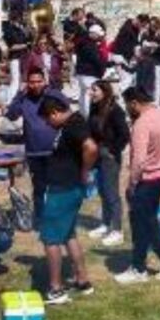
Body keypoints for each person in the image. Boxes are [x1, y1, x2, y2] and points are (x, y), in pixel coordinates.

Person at [115, 87, 160, 284]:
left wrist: (132, 184)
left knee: (143, 224)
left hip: (146, 179)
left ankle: (141, 268)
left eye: (127, 105)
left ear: (134, 103)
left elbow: (139, 161)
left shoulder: (141, 124)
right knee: (148, 221)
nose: (127, 109)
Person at [37, 95, 96, 304]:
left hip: (64, 189)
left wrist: (85, 172)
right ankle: (82, 280)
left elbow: (91, 147)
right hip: (66, 188)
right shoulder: (73, 123)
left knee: (50, 239)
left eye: (47, 119)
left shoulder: (73, 125)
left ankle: (56, 288)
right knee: (69, 234)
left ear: (55, 113)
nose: (47, 123)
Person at [4, 66, 64, 226]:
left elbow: (68, 113)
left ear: (44, 81)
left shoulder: (53, 95)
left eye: (39, 81)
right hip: (34, 152)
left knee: (56, 186)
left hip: (54, 151)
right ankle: (40, 218)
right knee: (39, 187)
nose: (36, 85)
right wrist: (19, 94)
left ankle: (56, 218)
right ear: (27, 83)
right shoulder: (23, 98)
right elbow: (11, 115)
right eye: (32, 82)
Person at [84, 79, 130, 246]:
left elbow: (125, 135)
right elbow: (90, 129)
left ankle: (117, 230)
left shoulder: (115, 110)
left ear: (104, 92)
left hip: (110, 157)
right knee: (102, 191)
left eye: (94, 90)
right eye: (91, 89)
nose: (91, 93)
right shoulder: (94, 106)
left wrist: (113, 150)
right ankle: (105, 224)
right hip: (97, 155)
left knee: (111, 193)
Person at [2, 10, 31, 99]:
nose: (21, 20)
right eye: (19, 19)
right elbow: (11, 47)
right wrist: (25, 45)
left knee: (21, 80)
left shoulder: (21, 29)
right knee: (15, 80)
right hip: (15, 57)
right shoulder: (9, 30)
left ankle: (17, 98)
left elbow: (27, 40)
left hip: (23, 57)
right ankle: (10, 100)